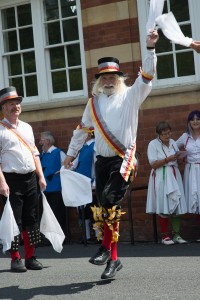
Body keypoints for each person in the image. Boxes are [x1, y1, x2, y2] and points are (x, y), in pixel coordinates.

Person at [63, 29, 159, 280]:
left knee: (108, 199)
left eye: (112, 76)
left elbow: (147, 77)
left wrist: (150, 49)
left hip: (123, 159)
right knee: (106, 209)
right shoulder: (93, 103)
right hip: (102, 161)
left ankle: (105, 248)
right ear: (99, 79)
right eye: (104, 76)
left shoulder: (130, 95)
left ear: (119, 77)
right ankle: (113, 261)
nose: (108, 80)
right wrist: (71, 155)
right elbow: (82, 130)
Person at [0, 86, 46, 272]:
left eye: (17, 103)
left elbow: (34, 154)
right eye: (11, 104)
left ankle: (30, 256)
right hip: (11, 180)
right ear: (3, 108)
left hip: (30, 179)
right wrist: (2, 183)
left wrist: (40, 176)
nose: (15, 107)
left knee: (31, 218)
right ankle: (15, 257)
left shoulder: (27, 127)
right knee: (14, 220)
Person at [146, 121, 187, 245]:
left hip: (174, 175)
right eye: (164, 134)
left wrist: (181, 158)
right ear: (158, 134)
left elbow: (176, 162)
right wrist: (167, 159)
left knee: (176, 204)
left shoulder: (174, 142)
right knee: (163, 204)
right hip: (161, 176)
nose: (167, 136)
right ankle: (165, 236)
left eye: (169, 133)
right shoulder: (152, 144)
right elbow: (153, 164)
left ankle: (176, 235)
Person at [71, 128, 98, 244]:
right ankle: (86, 236)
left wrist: (95, 182)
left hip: (91, 183)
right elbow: (74, 163)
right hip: (81, 184)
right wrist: (63, 170)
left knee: (94, 210)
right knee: (84, 211)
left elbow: (97, 165)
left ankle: (98, 236)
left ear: (88, 135)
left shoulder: (95, 146)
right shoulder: (82, 148)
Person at [176, 110, 200, 240]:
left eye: (198, 119)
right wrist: (180, 156)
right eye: (192, 119)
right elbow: (172, 146)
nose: (195, 121)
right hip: (191, 171)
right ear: (189, 122)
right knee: (196, 201)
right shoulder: (185, 137)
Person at [39, 131, 66, 234]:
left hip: (56, 189)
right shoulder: (42, 155)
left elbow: (67, 167)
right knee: (45, 214)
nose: (40, 142)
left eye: (42, 140)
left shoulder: (58, 153)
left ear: (48, 141)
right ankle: (47, 237)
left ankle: (60, 236)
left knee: (57, 213)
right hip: (44, 190)